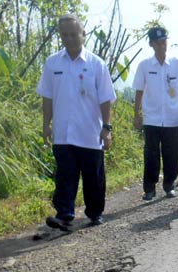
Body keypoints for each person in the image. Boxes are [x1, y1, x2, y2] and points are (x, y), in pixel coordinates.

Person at [37, 13, 116, 231]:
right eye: (64, 35)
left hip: (90, 132)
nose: (69, 39)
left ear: (83, 34)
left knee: (94, 178)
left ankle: (95, 213)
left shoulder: (96, 64)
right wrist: (46, 124)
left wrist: (106, 128)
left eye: (73, 34)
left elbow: (106, 99)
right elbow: (47, 96)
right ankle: (64, 214)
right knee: (65, 176)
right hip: (63, 133)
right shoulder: (52, 63)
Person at [133, 26, 178, 201]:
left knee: (173, 153)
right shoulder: (144, 66)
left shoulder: (177, 64)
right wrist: (137, 114)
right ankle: (150, 189)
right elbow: (139, 91)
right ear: (151, 44)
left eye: (164, 42)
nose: (161, 46)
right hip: (151, 118)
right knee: (151, 154)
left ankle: (169, 184)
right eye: (158, 43)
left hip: (173, 118)